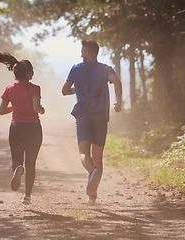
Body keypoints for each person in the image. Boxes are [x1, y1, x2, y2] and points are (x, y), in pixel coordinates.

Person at [62, 40, 122, 205]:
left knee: (84, 154)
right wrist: (119, 102)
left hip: (83, 116)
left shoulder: (76, 68)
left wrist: (78, 89)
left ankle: (91, 173)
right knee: (98, 157)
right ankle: (92, 196)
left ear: (87, 52)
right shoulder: (105, 69)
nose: (80, 54)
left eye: (82, 51)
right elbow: (117, 82)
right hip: (100, 117)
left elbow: (64, 90)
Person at [0, 51, 45, 205]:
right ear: (28, 74)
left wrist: (15, 107)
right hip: (33, 128)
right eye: (32, 71)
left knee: (16, 158)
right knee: (31, 162)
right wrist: (42, 109)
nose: (33, 73)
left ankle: (17, 169)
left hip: (16, 127)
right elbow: (36, 108)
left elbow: (2, 111)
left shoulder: (9, 89)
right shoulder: (35, 88)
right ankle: (27, 196)